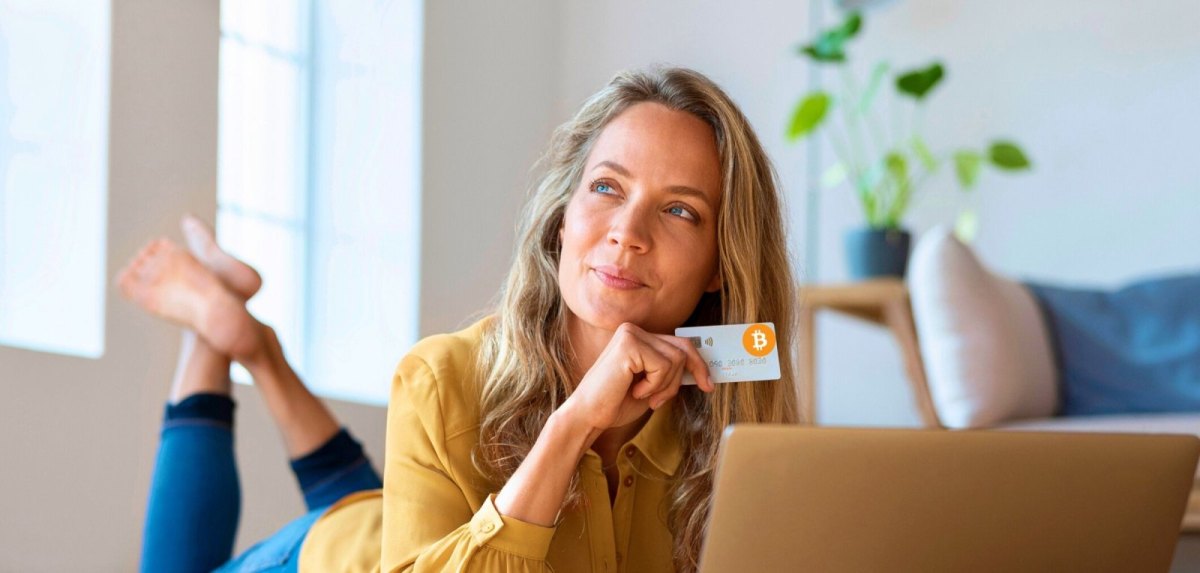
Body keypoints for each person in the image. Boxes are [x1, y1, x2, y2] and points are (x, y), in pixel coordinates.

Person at [121, 66, 799, 573]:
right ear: (563, 217)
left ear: (719, 262)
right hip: (330, 559)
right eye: (606, 187)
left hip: (408, 526)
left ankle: (255, 346)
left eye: (680, 209)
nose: (627, 233)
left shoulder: (725, 423)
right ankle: (214, 339)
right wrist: (574, 424)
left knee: (394, 489)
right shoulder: (442, 374)